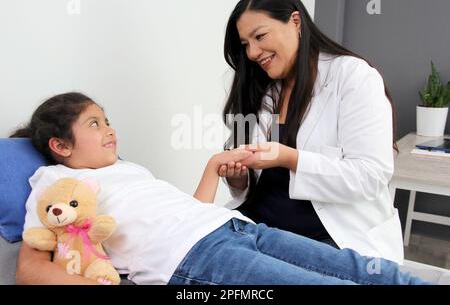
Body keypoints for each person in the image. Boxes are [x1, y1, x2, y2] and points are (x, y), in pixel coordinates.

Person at [13, 92, 426, 285]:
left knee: (356, 268)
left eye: (106, 119)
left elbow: (190, 212)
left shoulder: (128, 169)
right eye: (94, 124)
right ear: (60, 146)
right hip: (197, 259)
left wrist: (213, 166)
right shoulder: (53, 183)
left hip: (234, 227)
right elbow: (30, 270)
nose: (110, 129)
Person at [219, 0, 403, 263]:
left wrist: (290, 158)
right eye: (245, 44)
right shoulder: (259, 89)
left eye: (260, 36)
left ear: (295, 22)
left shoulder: (353, 77)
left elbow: (371, 175)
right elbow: (250, 182)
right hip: (258, 226)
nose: (253, 53)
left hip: (329, 235)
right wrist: (238, 178)